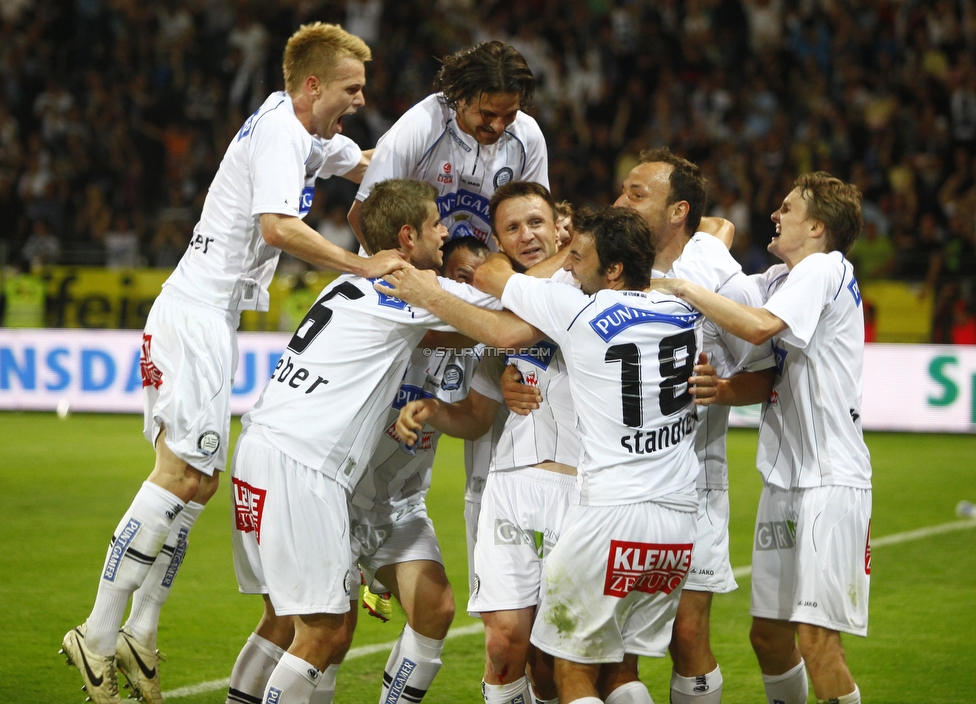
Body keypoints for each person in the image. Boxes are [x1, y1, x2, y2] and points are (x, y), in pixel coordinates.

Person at [60, 22, 405, 704]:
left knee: (199, 482)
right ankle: (97, 635)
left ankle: (142, 631)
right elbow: (278, 227)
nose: (361, 98)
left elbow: (361, 161)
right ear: (312, 85)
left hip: (210, 319)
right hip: (194, 313)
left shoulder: (304, 133)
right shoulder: (281, 133)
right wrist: (360, 264)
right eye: (351, 87)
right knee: (179, 473)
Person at [227, 178, 502, 704]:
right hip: (311, 469)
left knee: (339, 624)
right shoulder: (409, 292)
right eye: (434, 226)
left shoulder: (352, 285)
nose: (442, 235)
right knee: (318, 630)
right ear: (407, 238)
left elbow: (471, 369)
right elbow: (502, 325)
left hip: (298, 460)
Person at [651, 172, 871, 704]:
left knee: (819, 644)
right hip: (785, 480)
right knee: (770, 638)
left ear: (817, 226)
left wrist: (683, 286)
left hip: (830, 481)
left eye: (788, 208)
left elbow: (754, 327)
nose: (775, 214)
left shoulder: (825, 268)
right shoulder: (780, 279)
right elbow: (724, 293)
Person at [475, 206, 706, 703]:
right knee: (622, 670)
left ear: (614, 270)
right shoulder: (684, 310)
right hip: (679, 519)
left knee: (572, 673)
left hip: (609, 512)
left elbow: (491, 281)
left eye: (577, 256)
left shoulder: (581, 311)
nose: (569, 265)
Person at [348, 41, 548, 251]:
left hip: (480, 276)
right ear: (460, 96)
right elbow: (363, 215)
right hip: (410, 270)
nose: (498, 127)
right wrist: (403, 275)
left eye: (510, 115)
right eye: (487, 114)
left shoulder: (527, 136)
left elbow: (539, 223)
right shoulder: (421, 125)